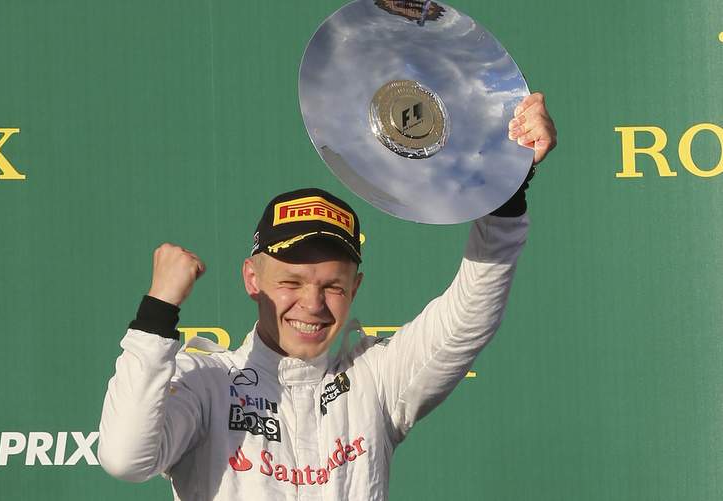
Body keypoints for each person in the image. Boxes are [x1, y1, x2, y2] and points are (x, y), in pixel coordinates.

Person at [98, 93, 556, 500]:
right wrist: (158, 313)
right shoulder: (206, 384)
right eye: (290, 283)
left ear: (355, 288)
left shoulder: (374, 380)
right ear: (252, 280)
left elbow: (469, 314)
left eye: (332, 286)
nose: (313, 304)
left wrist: (505, 192)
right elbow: (125, 458)